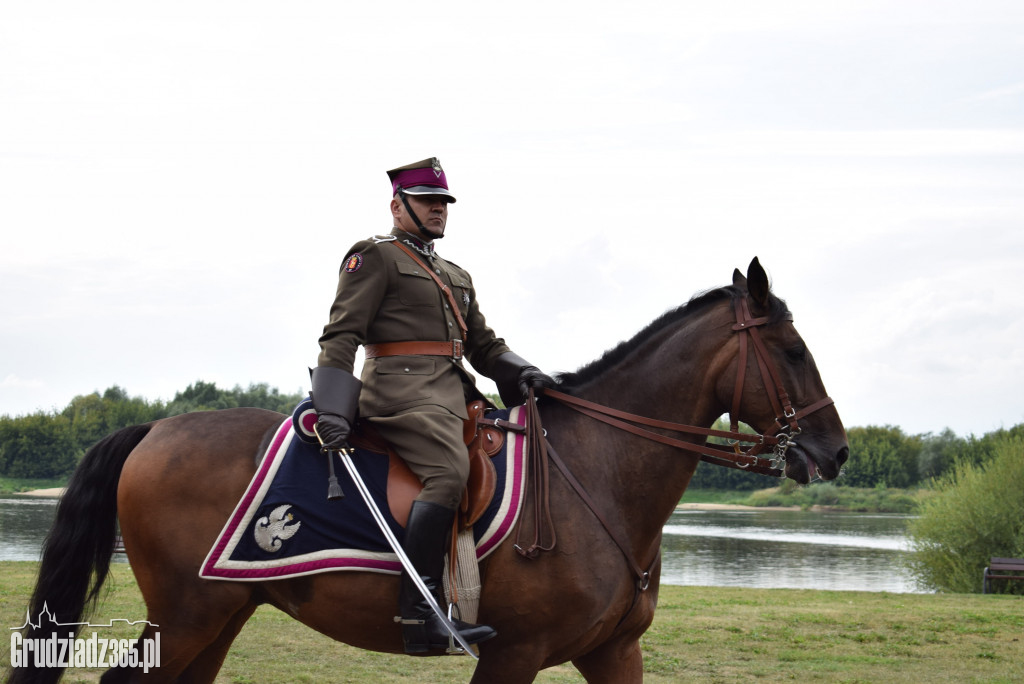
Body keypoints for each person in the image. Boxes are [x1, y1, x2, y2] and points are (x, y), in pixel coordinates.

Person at [310, 157, 554, 654]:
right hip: (398, 396)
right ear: (398, 205)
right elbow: (342, 334)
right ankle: (419, 609)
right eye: (427, 201)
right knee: (447, 473)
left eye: (443, 202)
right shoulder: (373, 256)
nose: (438, 210)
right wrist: (331, 409)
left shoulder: (454, 273)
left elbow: (484, 346)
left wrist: (526, 371)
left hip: (452, 393)